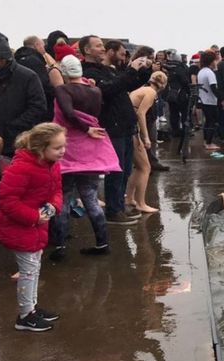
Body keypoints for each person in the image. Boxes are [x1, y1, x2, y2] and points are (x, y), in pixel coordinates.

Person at [0, 123, 65, 332]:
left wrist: (53, 206)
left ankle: (31, 309)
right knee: (29, 271)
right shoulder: (22, 167)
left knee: (34, 267)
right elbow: (6, 200)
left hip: (36, 225)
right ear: (41, 148)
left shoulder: (52, 164)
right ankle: (25, 316)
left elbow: (57, 190)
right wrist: (33, 217)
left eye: (63, 146)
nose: (63, 151)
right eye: (57, 147)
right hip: (21, 227)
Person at [50, 55, 120, 261]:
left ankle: (61, 246)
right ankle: (102, 243)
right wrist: (89, 128)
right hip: (91, 149)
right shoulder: (95, 90)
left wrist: (85, 128)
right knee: (90, 198)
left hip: (68, 148)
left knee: (62, 198)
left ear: (64, 72)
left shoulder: (63, 90)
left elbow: (69, 114)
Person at [80, 35, 151, 225]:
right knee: (116, 171)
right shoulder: (87, 72)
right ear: (86, 50)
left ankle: (119, 206)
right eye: (98, 46)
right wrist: (130, 71)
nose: (102, 49)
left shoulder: (106, 70)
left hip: (125, 126)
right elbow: (109, 90)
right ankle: (113, 211)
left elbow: (126, 84)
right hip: (112, 127)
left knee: (126, 169)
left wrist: (144, 71)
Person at [0, 34, 47, 157]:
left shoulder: (27, 76)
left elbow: (38, 106)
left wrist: (15, 125)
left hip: (18, 138)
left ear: (3, 58)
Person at [127, 71, 167, 213]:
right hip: (132, 130)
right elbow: (140, 113)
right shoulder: (150, 92)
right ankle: (141, 203)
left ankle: (130, 198)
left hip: (127, 128)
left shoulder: (142, 89)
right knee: (145, 167)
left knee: (139, 167)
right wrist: (146, 137)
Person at [14, 35, 57, 122]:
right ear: (37, 45)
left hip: (21, 106)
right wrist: (56, 93)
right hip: (38, 109)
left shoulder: (16, 61)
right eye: (43, 45)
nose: (44, 49)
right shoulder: (35, 61)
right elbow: (43, 84)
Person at [197, 51, 221, 151]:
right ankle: (209, 143)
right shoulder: (210, 73)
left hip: (203, 99)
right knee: (212, 122)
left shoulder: (201, 71)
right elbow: (213, 87)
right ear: (212, 61)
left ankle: (206, 141)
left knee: (207, 121)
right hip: (210, 100)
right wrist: (221, 98)